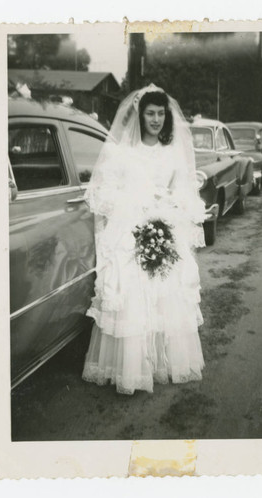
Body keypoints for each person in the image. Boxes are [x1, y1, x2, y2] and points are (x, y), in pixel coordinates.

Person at [82, 84, 207, 395]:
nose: (156, 119)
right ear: (139, 115)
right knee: (133, 298)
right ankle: (132, 367)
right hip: (132, 228)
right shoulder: (121, 152)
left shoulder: (172, 152)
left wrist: (173, 207)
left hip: (165, 226)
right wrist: (136, 204)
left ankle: (163, 363)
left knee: (168, 295)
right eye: (150, 113)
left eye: (160, 114)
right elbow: (104, 193)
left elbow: (183, 192)